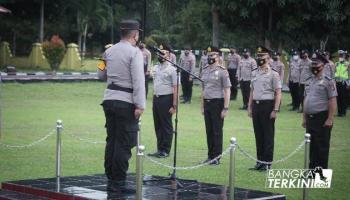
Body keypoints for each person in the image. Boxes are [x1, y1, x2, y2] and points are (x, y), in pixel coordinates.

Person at [97, 19, 145, 192]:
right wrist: (140, 105)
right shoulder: (135, 53)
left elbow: (100, 74)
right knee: (124, 142)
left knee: (112, 139)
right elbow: (139, 80)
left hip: (109, 99)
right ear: (134, 34)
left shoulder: (108, 51)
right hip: (126, 102)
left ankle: (110, 175)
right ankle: (118, 180)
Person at [248, 46, 282, 171]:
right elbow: (252, 91)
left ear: (268, 58)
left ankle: (267, 163)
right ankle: (259, 161)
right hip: (256, 106)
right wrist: (249, 106)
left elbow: (278, 92)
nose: (259, 58)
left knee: (268, 135)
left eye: (262, 56)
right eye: (258, 56)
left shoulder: (274, 74)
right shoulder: (254, 72)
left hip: (268, 106)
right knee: (258, 135)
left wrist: (275, 109)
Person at [302, 52, 337, 169]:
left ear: (323, 65)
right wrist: (304, 118)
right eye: (313, 63)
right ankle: (312, 171)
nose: (314, 66)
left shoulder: (328, 81)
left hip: (322, 118)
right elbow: (306, 99)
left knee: (321, 146)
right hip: (310, 118)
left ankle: (321, 175)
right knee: (311, 146)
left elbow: (332, 101)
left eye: (316, 63)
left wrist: (330, 118)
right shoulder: (310, 80)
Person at [200, 46, 231, 165]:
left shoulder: (223, 71)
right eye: (209, 55)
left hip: (217, 103)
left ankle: (217, 157)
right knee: (209, 131)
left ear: (218, 57)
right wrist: (202, 106)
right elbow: (203, 89)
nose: (210, 57)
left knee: (217, 131)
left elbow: (227, 90)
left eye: (212, 55)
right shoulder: (205, 70)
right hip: (207, 103)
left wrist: (226, 108)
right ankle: (210, 155)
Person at [147, 44, 178, 158]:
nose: (160, 54)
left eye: (163, 52)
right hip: (157, 98)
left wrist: (174, 105)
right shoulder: (155, 67)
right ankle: (159, 148)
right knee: (158, 125)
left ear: (169, 54)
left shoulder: (172, 69)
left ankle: (165, 150)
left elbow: (176, 88)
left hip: (167, 99)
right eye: (159, 52)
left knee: (166, 126)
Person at [334, 50, 350, 117]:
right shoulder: (336, 64)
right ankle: (339, 112)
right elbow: (334, 73)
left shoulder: (348, 64)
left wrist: (349, 84)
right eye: (340, 55)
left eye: (342, 55)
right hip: (337, 83)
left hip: (344, 83)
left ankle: (343, 112)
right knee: (338, 98)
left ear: (344, 56)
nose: (341, 56)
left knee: (344, 98)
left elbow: (349, 74)